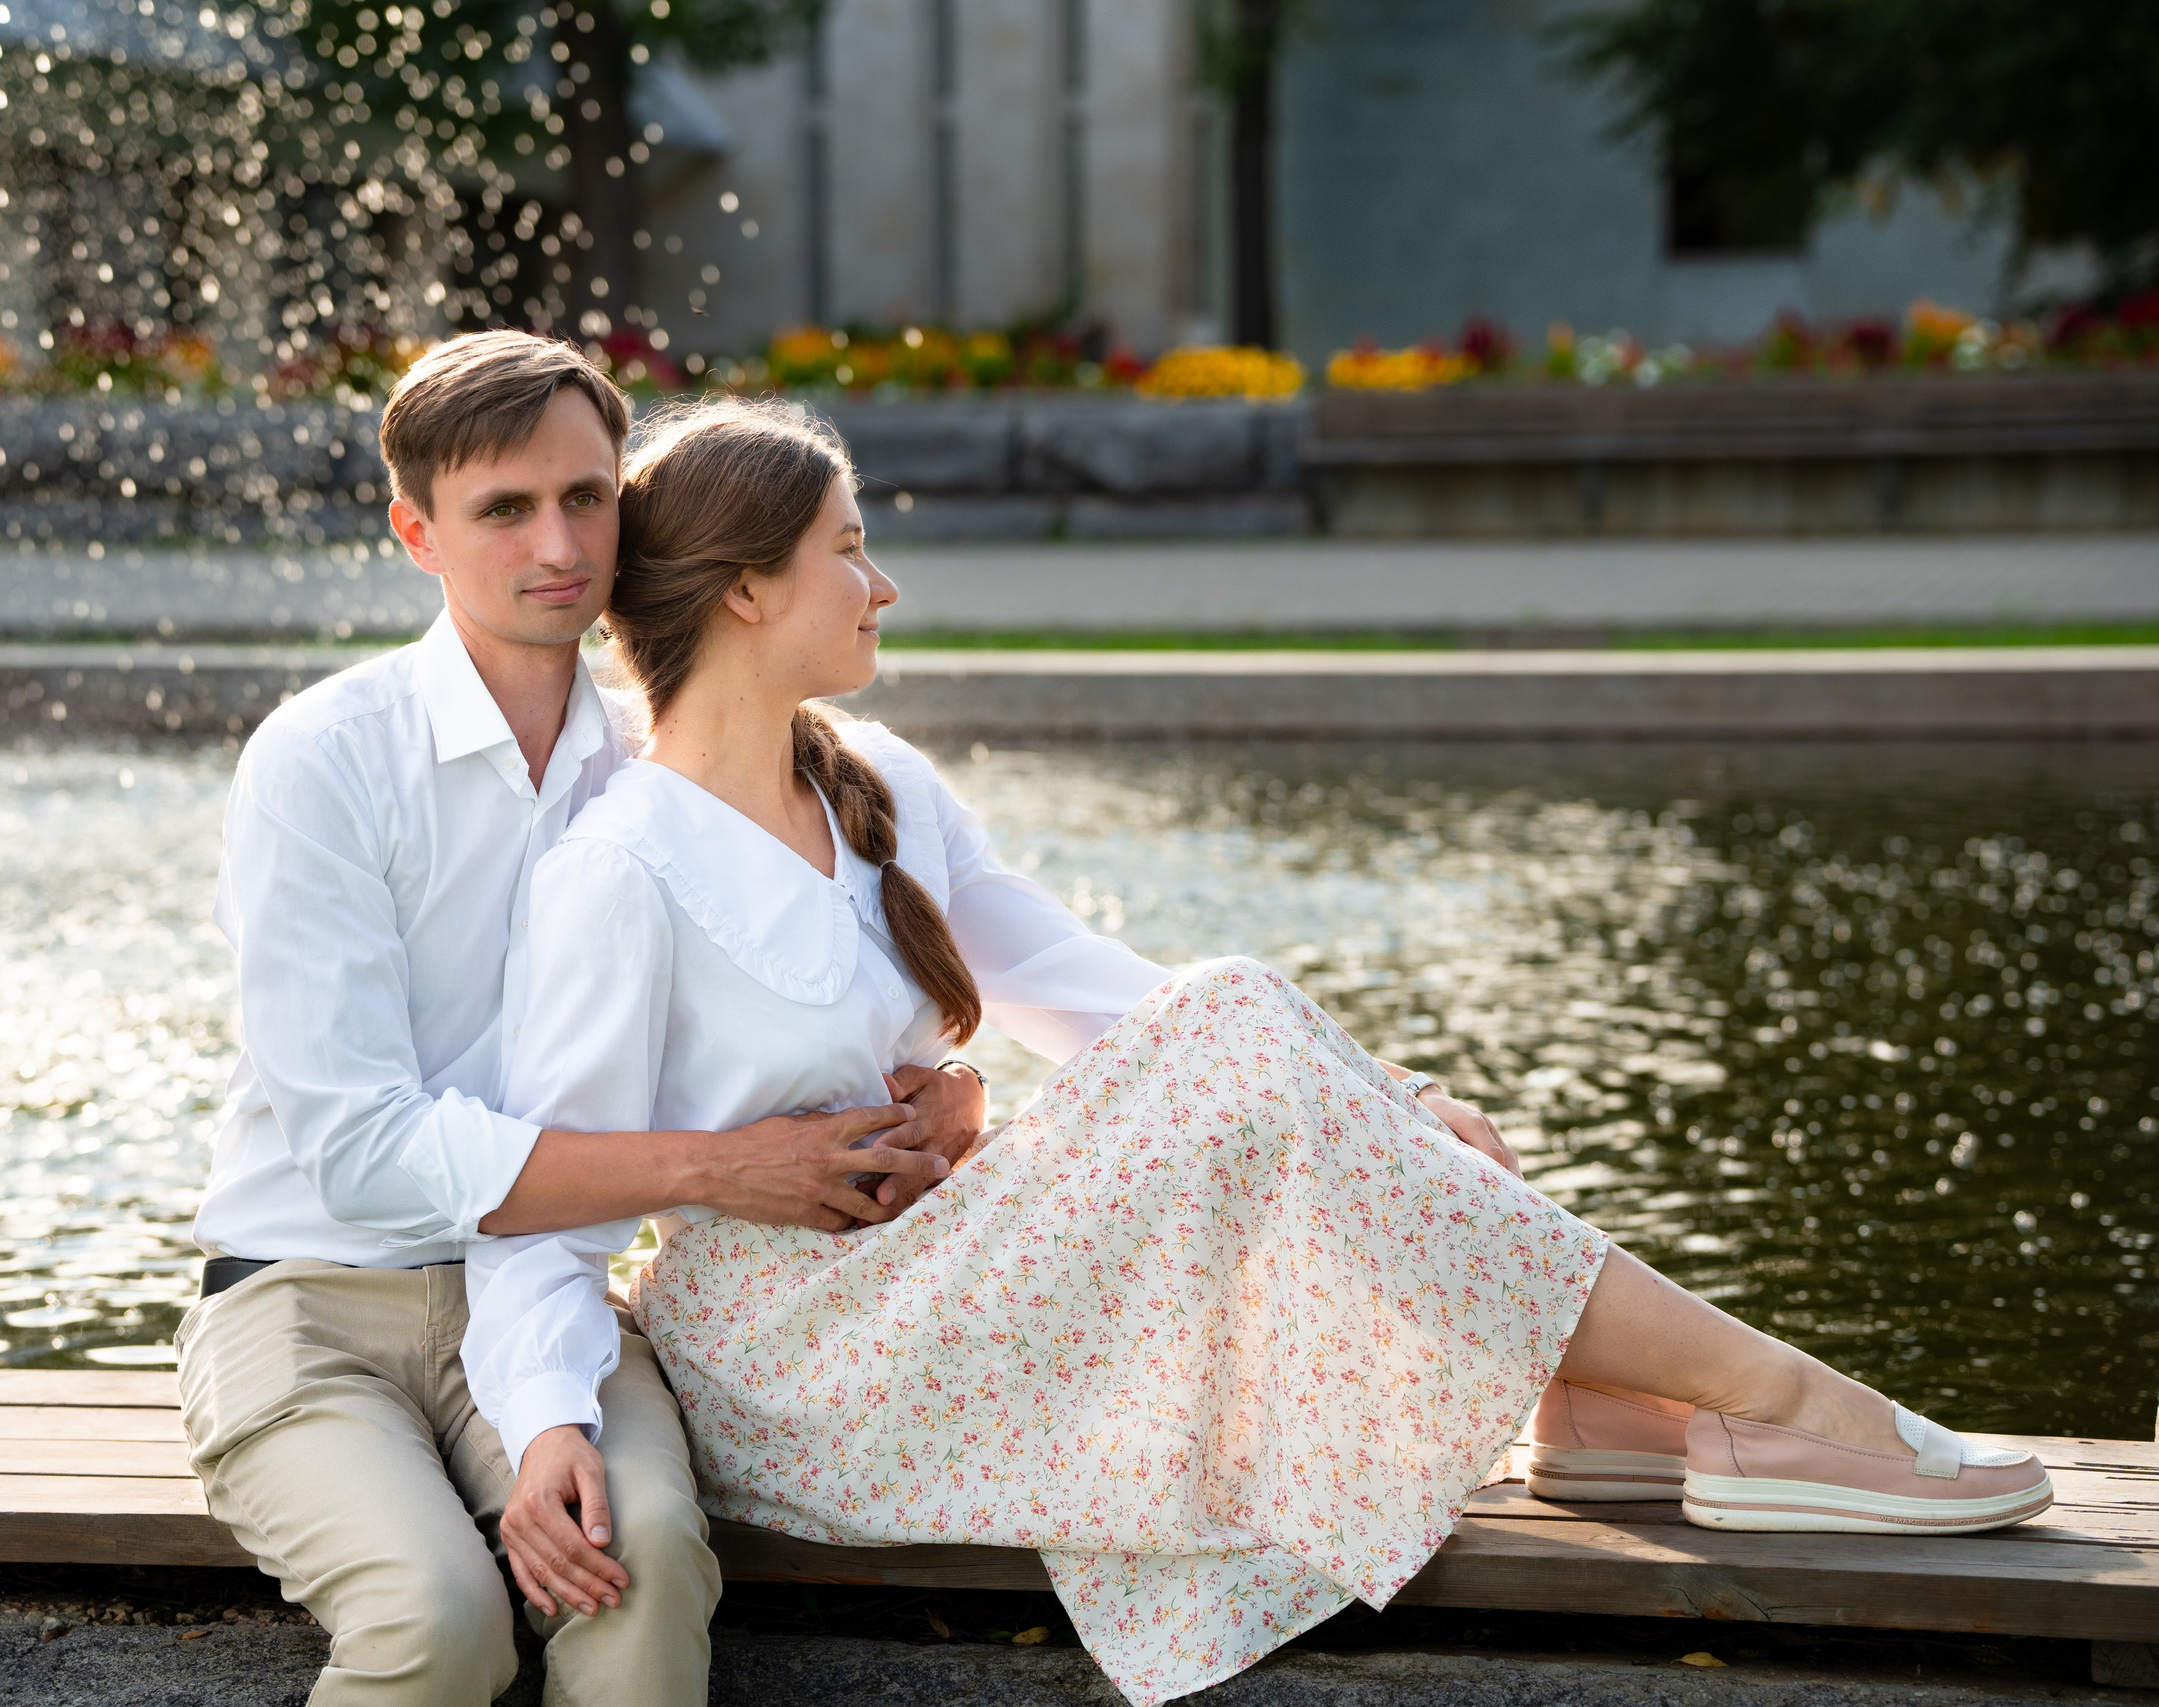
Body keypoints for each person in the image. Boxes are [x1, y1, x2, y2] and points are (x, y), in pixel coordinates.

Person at [464, 397, 2058, 1707]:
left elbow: (1089, 990)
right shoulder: (622, 869)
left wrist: (1402, 1104)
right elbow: (548, 1201)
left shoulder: (869, 777)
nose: (882, 589)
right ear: (746, 590)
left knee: (1220, 1023)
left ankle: (1608, 1401)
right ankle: (1771, 1402)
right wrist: (546, 1422)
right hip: (804, 1367)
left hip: (933, 1287)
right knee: (1227, 1028)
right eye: (852, 551)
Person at [174, 335, 984, 1707]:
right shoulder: (325, 760)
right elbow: (361, 1153)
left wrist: (938, 1088)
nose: (560, 545)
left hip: (549, 1304)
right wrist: (714, 1171)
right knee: (438, 1620)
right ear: (416, 531)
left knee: (647, 1558)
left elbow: (801, 985)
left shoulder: (666, 763)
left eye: (588, 497)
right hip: (306, 1301)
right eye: (504, 510)